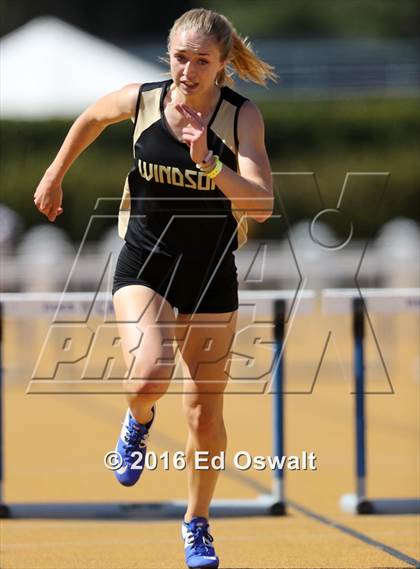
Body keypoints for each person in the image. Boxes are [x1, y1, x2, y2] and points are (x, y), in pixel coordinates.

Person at [34, 8, 276, 569]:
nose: (188, 70)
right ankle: (138, 419)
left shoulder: (242, 118)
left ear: (221, 65)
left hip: (212, 273)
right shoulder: (144, 100)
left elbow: (261, 205)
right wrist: (54, 173)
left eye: (202, 61)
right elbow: (92, 117)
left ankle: (196, 524)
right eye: (179, 58)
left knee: (203, 415)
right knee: (148, 376)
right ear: (168, 57)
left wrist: (212, 165)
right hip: (145, 263)